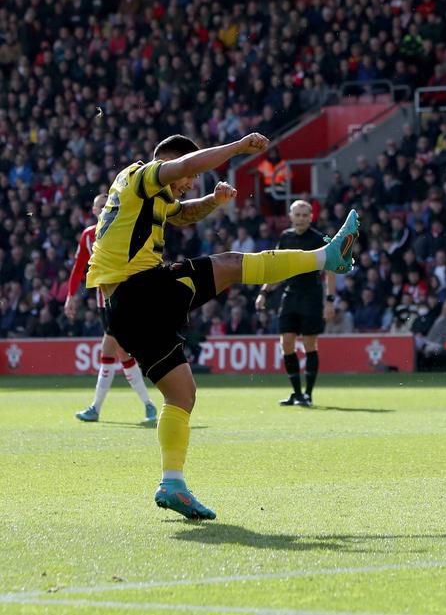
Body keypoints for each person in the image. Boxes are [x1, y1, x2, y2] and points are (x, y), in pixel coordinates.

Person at [86, 133, 360, 520]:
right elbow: (183, 167)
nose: (189, 184)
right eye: (188, 177)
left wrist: (212, 202)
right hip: (139, 291)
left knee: (181, 394)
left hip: (125, 310)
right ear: (172, 161)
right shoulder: (145, 175)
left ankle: (173, 483)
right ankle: (326, 257)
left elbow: (180, 213)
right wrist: (235, 148)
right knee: (231, 265)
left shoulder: (148, 195)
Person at [67, 194, 157, 424]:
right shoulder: (88, 235)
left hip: (121, 301)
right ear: (94, 210)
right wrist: (70, 296)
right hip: (102, 304)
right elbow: (79, 268)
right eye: (99, 206)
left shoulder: (121, 229)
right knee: (115, 353)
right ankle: (135, 406)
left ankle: (145, 405)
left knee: (113, 349)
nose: (102, 209)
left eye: (105, 205)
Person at [255, 200, 336, 407]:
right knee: (286, 344)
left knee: (310, 345)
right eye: (297, 215)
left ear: (311, 217)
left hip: (311, 296)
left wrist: (329, 300)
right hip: (290, 296)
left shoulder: (320, 239)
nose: (300, 218)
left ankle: (308, 394)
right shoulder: (285, 237)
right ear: (290, 217)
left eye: (304, 215)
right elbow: (277, 269)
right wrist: (264, 291)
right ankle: (297, 394)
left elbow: (331, 268)